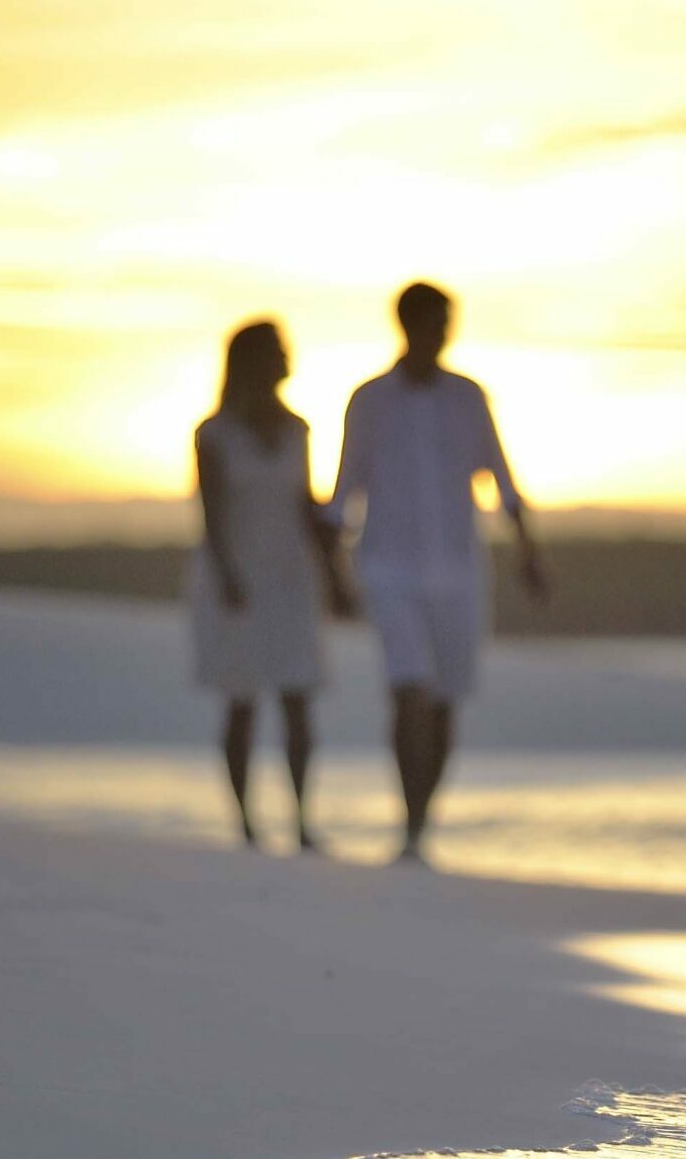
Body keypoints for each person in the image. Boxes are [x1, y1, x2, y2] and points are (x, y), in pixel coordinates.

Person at [323, 281, 548, 864]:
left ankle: (420, 825)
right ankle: (409, 821)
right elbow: (344, 490)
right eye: (435, 322)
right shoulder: (370, 400)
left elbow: (501, 478)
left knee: (444, 700)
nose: (442, 333)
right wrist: (335, 573)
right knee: (409, 693)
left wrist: (527, 552)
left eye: (447, 322)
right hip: (389, 568)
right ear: (409, 324)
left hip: (457, 569)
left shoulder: (467, 397)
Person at [188, 318, 352, 851]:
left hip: (291, 575)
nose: (285, 359)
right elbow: (210, 511)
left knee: (297, 696)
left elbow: (305, 504)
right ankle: (246, 823)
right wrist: (229, 575)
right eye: (276, 351)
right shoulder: (213, 434)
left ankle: (301, 821)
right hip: (236, 576)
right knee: (242, 700)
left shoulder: (296, 429)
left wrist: (335, 573)